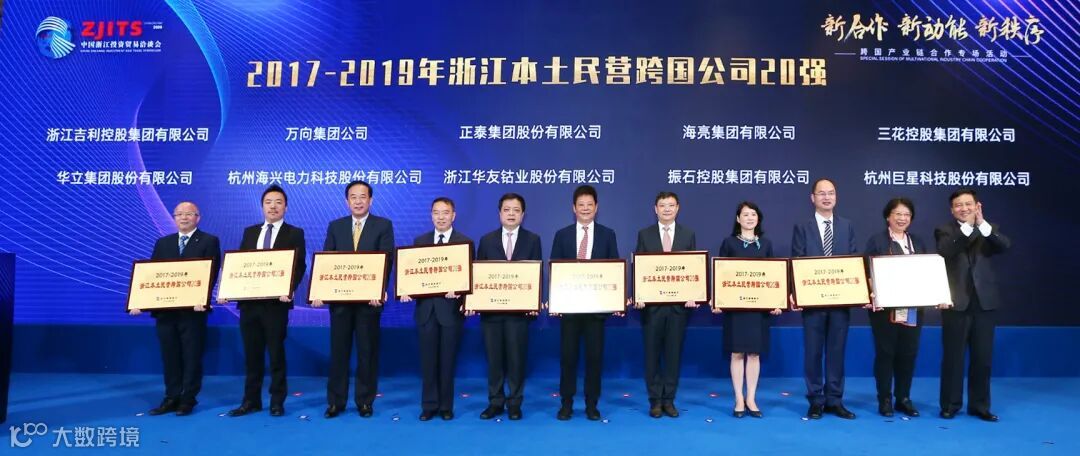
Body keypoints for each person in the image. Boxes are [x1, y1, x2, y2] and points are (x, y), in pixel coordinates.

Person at [312, 181, 394, 419]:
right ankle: (335, 402)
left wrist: (378, 289)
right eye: (353, 197)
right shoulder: (335, 226)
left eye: (362, 197)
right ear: (347, 201)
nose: (358, 201)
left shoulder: (383, 225)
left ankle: (365, 401)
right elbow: (327, 262)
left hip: (369, 303)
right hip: (340, 303)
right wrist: (320, 291)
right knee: (339, 353)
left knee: (367, 353)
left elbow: (387, 260)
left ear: (371, 200)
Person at [130, 201, 221, 416]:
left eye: (189, 214)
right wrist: (140, 302)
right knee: (169, 356)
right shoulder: (163, 243)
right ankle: (171, 397)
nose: (183, 217)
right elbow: (152, 275)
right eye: (179, 214)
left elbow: (211, 272)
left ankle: (188, 399)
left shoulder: (209, 241)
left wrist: (203, 297)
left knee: (191, 356)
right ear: (174, 218)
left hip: (193, 311)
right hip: (166, 312)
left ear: (198, 217)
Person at [225, 185, 307, 418]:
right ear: (262, 206)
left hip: (276, 305)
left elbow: (299, 265)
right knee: (252, 355)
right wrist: (229, 287)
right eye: (268, 202)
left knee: (276, 354)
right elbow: (241, 265)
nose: (273, 206)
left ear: (286, 207)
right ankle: (250, 400)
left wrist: (289, 288)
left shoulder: (294, 233)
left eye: (278, 202)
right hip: (249, 304)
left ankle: (277, 401)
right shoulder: (250, 232)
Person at [935, 188, 1011, 422]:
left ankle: (980, 406)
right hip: (956, 303)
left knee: (982, 358)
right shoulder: (944, 231)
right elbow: (946, 250)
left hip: (984, 303)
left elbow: (1004, 246)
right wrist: (968, 226)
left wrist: (981, 224)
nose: (964, 208)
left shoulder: (989, 229)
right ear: (952, 210)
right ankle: (950, 404)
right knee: (953, 358)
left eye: (969, 204)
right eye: (959, 205)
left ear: (978, 206)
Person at [550, 184, 622, 421]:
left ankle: (592, 404)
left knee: (594, 359)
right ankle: (566, 404)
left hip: (596, 311)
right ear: (573, 208)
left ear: (596, 207)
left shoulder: (607, 234)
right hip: (570, 311)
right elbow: (555, 270)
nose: (585, 208)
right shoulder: (562, 235)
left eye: (589, 204)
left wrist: (616, 300)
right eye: (581, 205)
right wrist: (555, 301)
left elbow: (614, 269)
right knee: (568, 359)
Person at [791, 178, 858, 420]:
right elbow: (797, 261)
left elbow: (853, 260)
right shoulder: (802, 227)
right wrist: (797, 293)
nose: (826, 197)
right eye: (821, 193)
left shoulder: (847, 226)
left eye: (831, 193)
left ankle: (835, 400)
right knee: (813, 352)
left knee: (837, 352)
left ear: (836, 197)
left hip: (840, 301)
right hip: (813, 301)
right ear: (813, 198)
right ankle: (815, 400)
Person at [400, 197, 471, 421]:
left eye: (445, 212)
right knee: (428, 361)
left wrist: (461, 291)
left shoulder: (464, 242)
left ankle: (446, 406)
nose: (441, 217)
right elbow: (412, 273)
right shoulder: (420, 241)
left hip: (450, 311)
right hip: (426, 311)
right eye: (436, 212)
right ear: (431, 215)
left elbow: (470, 278)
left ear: (453, 215)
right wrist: (406, 289)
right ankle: (429, 405)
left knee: (448, 361)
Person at [475, 193, 542, 421]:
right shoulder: (486, 240)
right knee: (494, 360)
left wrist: (534, 302)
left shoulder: (533, 240)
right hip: (491, 313)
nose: (511, 214)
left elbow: (537, 274)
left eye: (516, 210)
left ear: (523, 214)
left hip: (518, 314)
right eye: (507, 209)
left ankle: (514, 403)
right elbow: (478, 275)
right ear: (499, 213)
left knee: (516, 360)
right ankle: (495, 402)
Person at [632, 191, 698, 418]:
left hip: (678, 308)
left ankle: (669, 400)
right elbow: (639, 269)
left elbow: (693, 269)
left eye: (671, 205)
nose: (667, 209)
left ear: (678, 208)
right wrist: (638, 294)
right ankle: (654, 401)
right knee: (651, 356)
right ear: (655, 209)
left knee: (673, 355)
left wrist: (693, 294)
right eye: (662, 205)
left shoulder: (688, 234)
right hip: (652, 308)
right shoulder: (645, 234)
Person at [715, 201, 782, 418]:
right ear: (738, 219)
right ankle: (738, 398)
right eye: (745, 214)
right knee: (736, 353)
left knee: (754, 354)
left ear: (758, 218)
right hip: (736, 309)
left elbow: (774, 276)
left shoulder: (766, 244)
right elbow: (720, 274)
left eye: (753, 214)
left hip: (758, 310)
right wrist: (718, 300)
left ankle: (751, 398)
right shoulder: (728, 243)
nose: (749, 218)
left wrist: (777, 301)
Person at [865, 197, 928, 418]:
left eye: (907, 215)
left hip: (913, 308)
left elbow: (927, 272)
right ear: (888, 217)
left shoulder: (917, 242)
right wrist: (872, 293)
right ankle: (884, 398)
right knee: (886, 353)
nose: (902, 218)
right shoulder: (877, 241)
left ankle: (903, 398)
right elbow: (867, 271)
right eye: (898, 214)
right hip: (885, 310)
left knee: (908, 354)